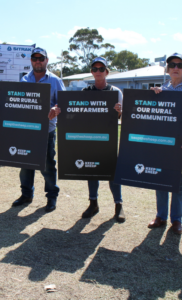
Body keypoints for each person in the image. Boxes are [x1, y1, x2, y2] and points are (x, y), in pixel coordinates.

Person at [149, 53, 182, 234]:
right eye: (172, 65)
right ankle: (161, 216)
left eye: (179, 65)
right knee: (160, 180)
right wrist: (153, 97)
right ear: (167, 69)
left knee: (180, 183)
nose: (175, 68)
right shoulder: (162, 90)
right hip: (163, 143)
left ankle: (176, 220)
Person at [12, 47, 65, 212]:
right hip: (27, 130)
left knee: (48, 165)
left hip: (47, 131)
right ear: (31, 61)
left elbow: (63, 103)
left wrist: (57, 109)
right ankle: (26, 194)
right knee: (25, 163)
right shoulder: (24, 80)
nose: (38, 61)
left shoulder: (55, 80)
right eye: (34, 58)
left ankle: (51, 197)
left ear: (47, 60)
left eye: (41, 58)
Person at [72, 57, 125, 222]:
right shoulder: (85, 92)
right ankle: (93, 203)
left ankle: (118, 205)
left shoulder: (115, 92)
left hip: (108, 139)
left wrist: (119, 111)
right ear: (91, 72)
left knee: (112, 173)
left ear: (107, 72)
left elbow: (122, 117)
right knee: (91, 169)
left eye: (101, 69)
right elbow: (78, 114)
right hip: (90, 138)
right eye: (94, 69)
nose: (98, 72)